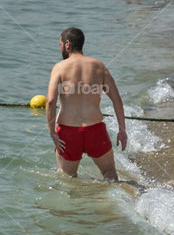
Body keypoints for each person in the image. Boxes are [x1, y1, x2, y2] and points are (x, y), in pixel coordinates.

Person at [46, 27, 127, 181]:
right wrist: (122, 130)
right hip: (95, 131)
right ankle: (112, 203)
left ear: (67, 44)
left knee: (68, 180)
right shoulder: (99, 66)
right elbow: (117, 99)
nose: (61, 48)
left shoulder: (59, 67)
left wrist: (52, 132)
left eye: (60, 44)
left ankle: (78, 205)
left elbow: (50, 101)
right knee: (110, 174)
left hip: (68, 133)